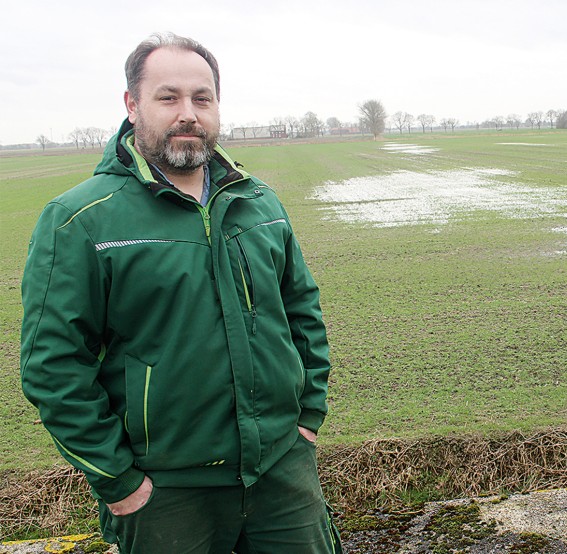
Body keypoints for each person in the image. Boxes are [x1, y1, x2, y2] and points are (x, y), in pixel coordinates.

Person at [20, 32, 342, 553]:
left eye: (202, 98)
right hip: (165, 492)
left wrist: (307, 420)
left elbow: (303, 313)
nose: (187, 113)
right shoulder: (80, 220)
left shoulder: (260, 204)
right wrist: (120, 483)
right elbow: (52, 365)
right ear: (132, 105)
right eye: (168, 97)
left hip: (282, 474)